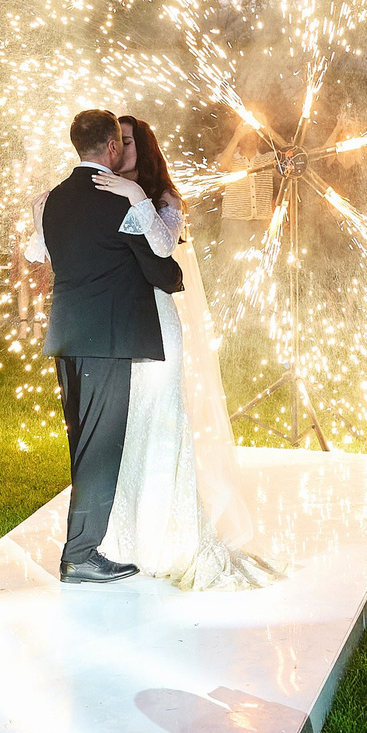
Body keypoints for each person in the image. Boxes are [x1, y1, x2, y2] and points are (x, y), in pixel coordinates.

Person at [86, 117, 273, 589]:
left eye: (126, 141)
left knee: (161, 419)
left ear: (141, 147)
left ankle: (170, 534)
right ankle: (121, 537)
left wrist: (136, 199)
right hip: (115, 325)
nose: (117, 147)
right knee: (124, 427)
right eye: (114, 141)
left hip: (156, 321)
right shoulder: (100, 191)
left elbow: (164, 245)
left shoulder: (163, 199)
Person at [36, 109, 186, 584]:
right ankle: (80, 555)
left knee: (82, 442)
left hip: (66, 337)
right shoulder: (122, 200)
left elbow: (33, 253)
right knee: (100, 448)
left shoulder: (53, 197)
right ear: (112, 148)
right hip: (108, 339)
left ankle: (80, 546)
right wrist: (139, 199)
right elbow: (160, 255)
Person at [216, 118, 275, 291]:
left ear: (259, 139)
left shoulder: (268, 159)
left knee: (260, 273)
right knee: (229, 270)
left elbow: (289, 159)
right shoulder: (229, 158)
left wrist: (267, 127)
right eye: (245, 134)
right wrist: (236, 136)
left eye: (253, 134)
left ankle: (257, 309)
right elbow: (221, 165)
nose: (249, 137)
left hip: (261, 224)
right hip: (234, 223)